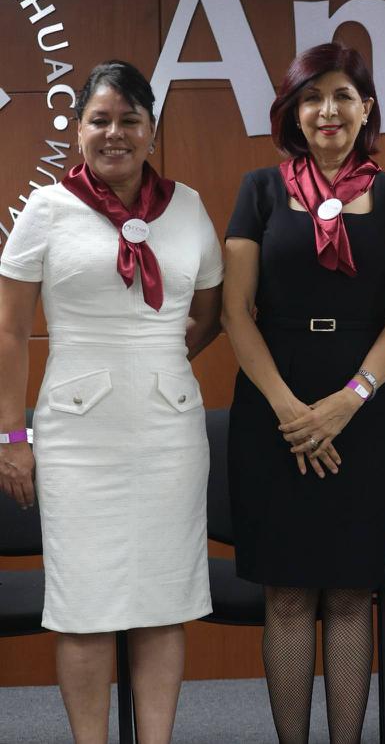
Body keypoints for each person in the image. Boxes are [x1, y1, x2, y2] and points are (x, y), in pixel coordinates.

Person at [0, 61, 223, 744]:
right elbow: (10, 331)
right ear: (78, 129)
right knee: (84, 606)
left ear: (152, 129)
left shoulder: (187, 206)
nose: (114, 133)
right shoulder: (47, 208)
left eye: (130, 119)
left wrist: (157, 365)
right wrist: (12, 436)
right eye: (100, 120)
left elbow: (209, 311)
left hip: (167, 430)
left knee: (163, 601)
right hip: (76, 435)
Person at [222, 43, 385, 744]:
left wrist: (347, 401)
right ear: (293, 112)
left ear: (366, 108)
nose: (327, 110)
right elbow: (235, 312)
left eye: (341, 95)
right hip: (272, 410)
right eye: (311, 97)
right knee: (285, 595)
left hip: (364, 410)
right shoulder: (259, 189)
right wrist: (290, 411)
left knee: (349, 592)